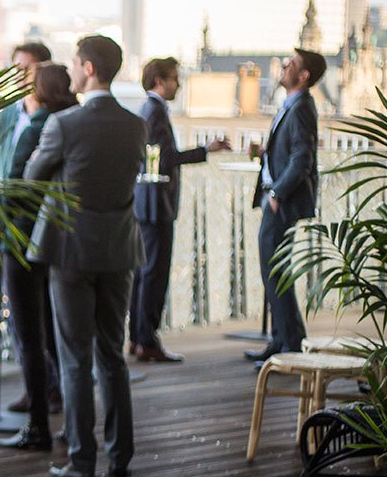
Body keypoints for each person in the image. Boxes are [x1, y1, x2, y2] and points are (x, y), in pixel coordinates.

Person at [25, 35, 146, 477]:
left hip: (72, 250)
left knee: (75, 358)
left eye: (75, 64)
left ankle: (81, 460)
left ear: (89, 68)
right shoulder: (136, 125)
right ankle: (120, 456)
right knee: (112, 355)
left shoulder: (65, 123)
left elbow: (32, 175)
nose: (71, 71)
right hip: (119, 249)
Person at [130, 57, 230, 363]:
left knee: (143, 274)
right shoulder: (156, 111)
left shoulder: (150, 109)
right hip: (156, 206)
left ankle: (138, 338)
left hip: (146, 204)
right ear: (160, 81)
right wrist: (205, 150)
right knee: (153, 274)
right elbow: (164, 159)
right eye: (175, 78)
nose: (179, 84)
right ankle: (146, 339)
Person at [0, 63, 77, 451]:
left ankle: (37, 426)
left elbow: (15, 185)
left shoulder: (38, 127)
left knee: (31, 336)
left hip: (23, 240)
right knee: (61, 333)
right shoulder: (76, 123)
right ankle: (73, 423)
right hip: (64, 242)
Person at [0, 41, 62, 415]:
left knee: (47, 315)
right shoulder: (5, 115)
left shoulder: (56, 118)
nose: (21, 76)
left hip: (46, 229)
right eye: (16, 68)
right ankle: (36, 387)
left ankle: (52, 389)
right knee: (22, 319)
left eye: (29, 69)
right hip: (9, 229)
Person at [244, 48, 325, 365]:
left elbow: (302, 159)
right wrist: (266, 151)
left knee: (277, 275)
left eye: (291, 64)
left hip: (282, 204)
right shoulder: (293, 105)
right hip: (276, 201)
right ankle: (280, 341)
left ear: (303, 76)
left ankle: (291, 345)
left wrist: (276, 194)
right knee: (274, 274)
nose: (284, 66)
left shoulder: (302, 106)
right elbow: (291, 149)